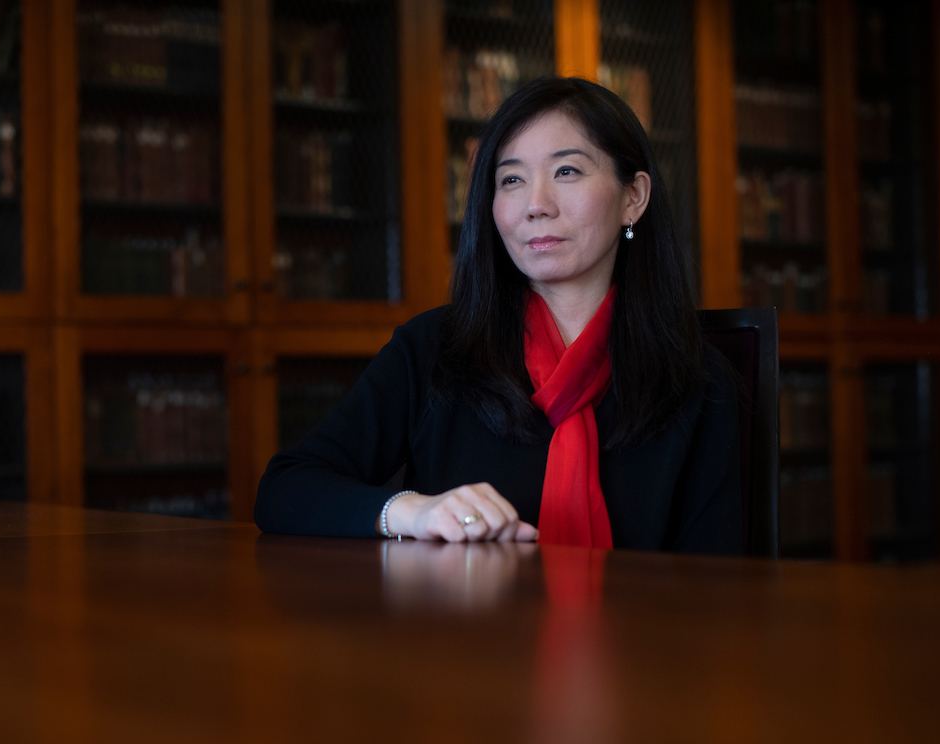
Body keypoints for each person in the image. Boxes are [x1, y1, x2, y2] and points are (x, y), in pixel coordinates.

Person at [255, 77, 741, 554]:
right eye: (511, 179)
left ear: (633, 197)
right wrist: (411, 512)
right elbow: (285, 489)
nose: (536, 205)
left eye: (566, 171)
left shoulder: (699, 381)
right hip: (461, 633)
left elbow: (717, 598)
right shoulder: (436, 348)